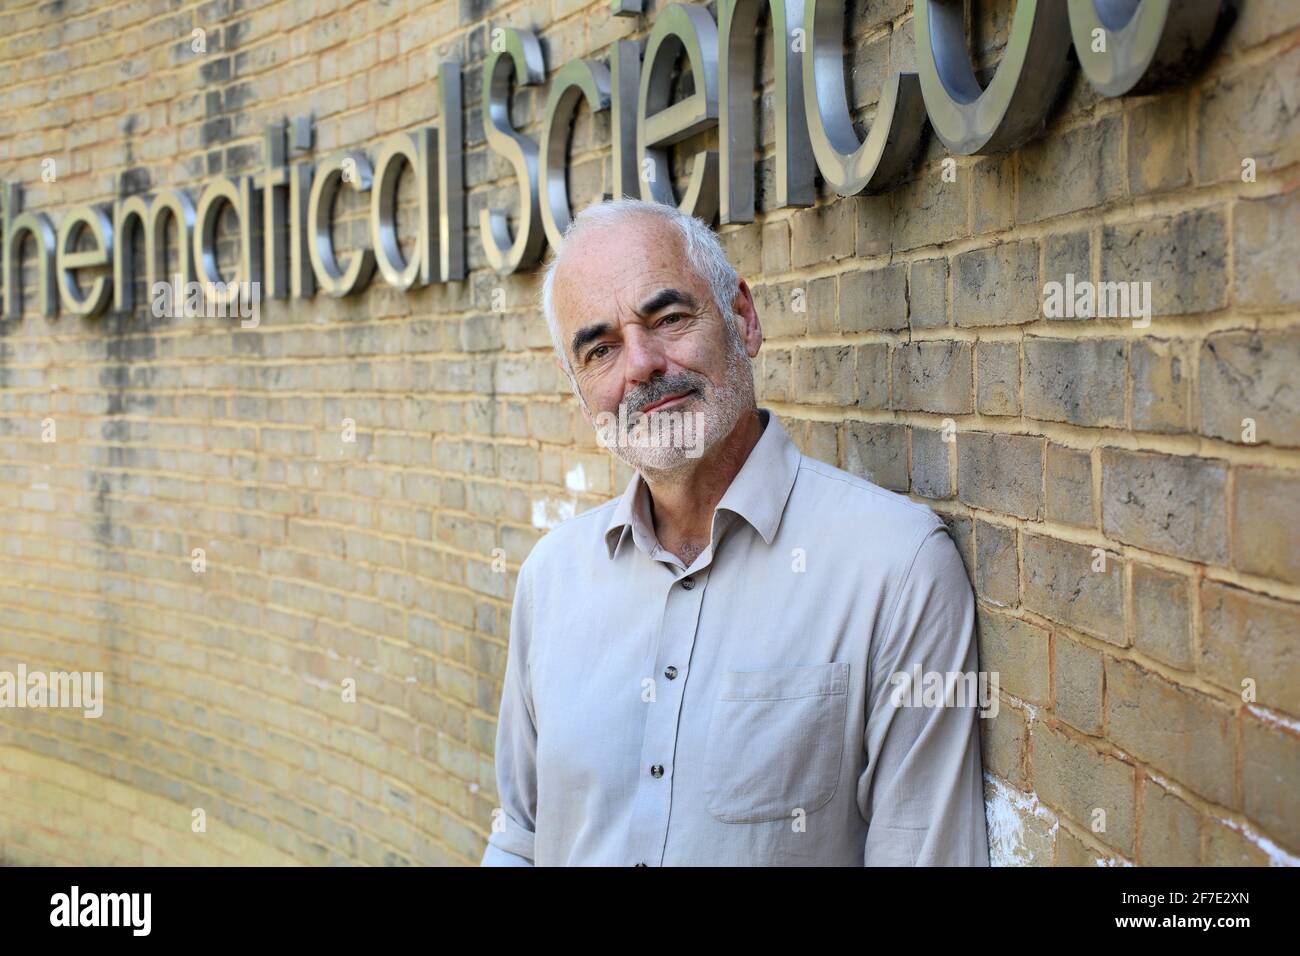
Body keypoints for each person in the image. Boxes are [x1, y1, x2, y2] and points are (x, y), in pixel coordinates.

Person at [481, 198, 989, 866]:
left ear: (742, 318)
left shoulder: (895, 568)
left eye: (667, 318)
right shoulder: (549, 580)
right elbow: (520, 836)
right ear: (580, 391)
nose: (641, 366)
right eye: (600, 348)